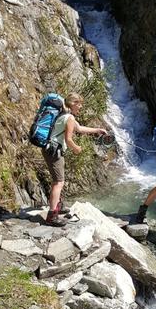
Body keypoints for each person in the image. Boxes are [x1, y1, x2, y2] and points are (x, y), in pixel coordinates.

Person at [42, 92, 107, 226]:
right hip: (54, 151)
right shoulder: (69, 117)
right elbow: (69, 139)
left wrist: (97, 130)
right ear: (73, 104)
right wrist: (76, 148)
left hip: (51, 149)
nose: (81, 107)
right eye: (79, 104)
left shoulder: (64, 114)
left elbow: (79, 128)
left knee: (58, 181)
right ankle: (52, 215)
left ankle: (57, 207)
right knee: (58, 182)